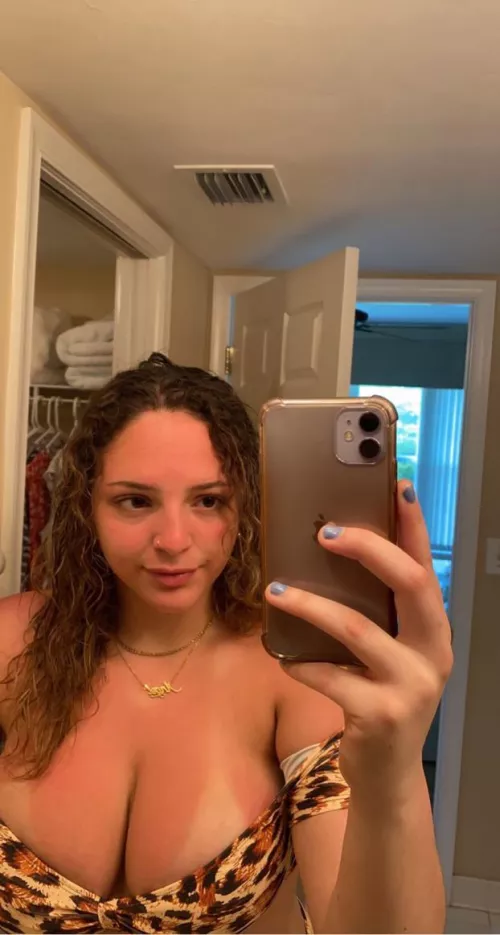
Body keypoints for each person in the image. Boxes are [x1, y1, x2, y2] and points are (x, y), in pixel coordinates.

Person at [0, 353, 452, 935]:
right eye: (136, 501)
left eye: (208, 500)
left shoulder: (296, 672)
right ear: (88, 507)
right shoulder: (13, 643)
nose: (173, 539)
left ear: (245, 506)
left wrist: (392, 777)